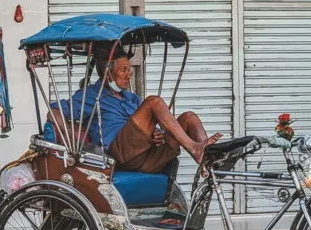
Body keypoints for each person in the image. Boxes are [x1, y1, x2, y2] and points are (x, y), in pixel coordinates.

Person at [49, 51, 221, 173]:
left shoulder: (131, 98)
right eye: (123, 70)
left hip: (146, 155)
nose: (129, 74)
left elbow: (149, 125)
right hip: (120, 154)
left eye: (129, 69)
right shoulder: (91, 95)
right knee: (154, 102)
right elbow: (53, 112)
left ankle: (209, 159)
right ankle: (194, 148)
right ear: (108, 73)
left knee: (189, 118)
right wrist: (68, 131)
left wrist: (158, 133)